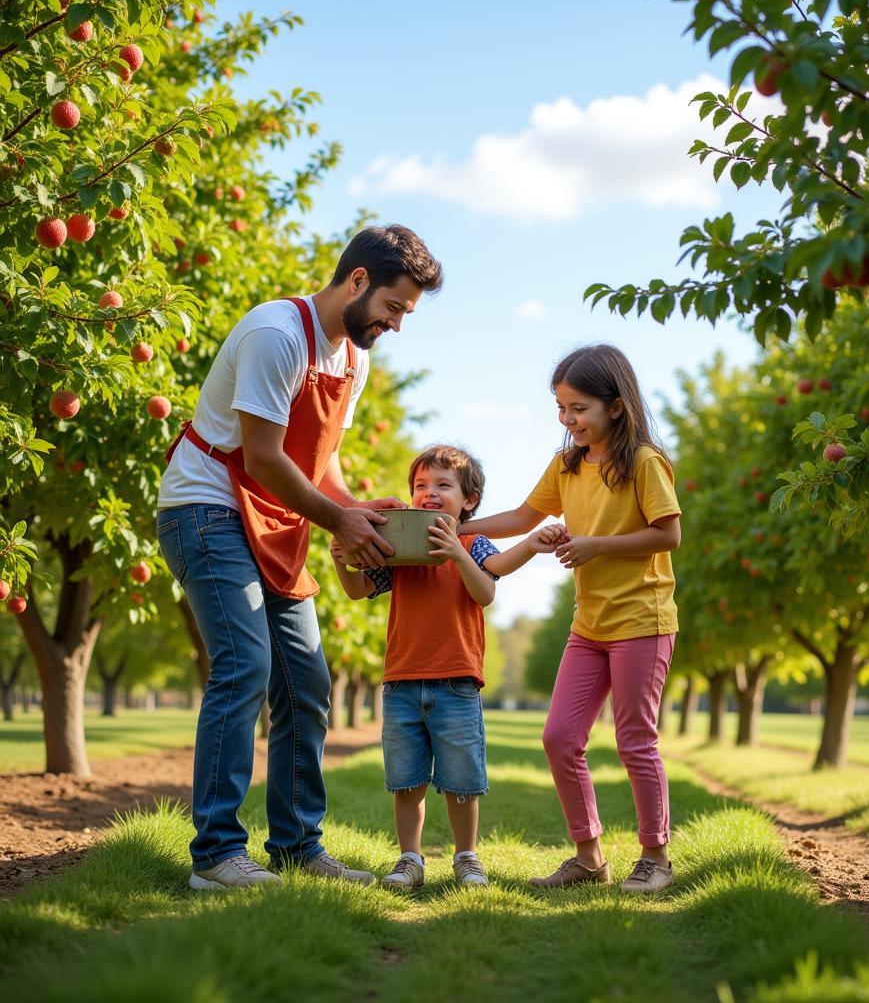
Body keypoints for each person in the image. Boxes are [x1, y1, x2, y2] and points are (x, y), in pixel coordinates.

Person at [157, 225, 442, 890]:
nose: (397, 325)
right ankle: (216, 857)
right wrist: (336, 518)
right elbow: (260, 458)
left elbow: (321, 461)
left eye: (407, 314)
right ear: (359, 281)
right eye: (395, 308)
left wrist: (357, 510)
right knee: (245, 667)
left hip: (278, 520)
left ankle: (296, 846)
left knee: (307, 684)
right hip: (207, 508)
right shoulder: (277, 334)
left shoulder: (353, 360)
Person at [460, 345, 680, 893]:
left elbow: (668, 533)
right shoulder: (566, 465)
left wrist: (594, 546)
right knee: (559, 738)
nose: (568, 420)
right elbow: (521, 517)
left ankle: (656, 858)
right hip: (590, 625)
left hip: (642, 620)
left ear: (617, 406)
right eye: (561, 408)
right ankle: (589, 857)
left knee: (635, 740)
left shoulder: (644, 463)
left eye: (578, 408)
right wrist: (455, 520)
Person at [332, 444, 561, 890]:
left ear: (468, 500)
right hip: (401, 682)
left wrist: (482, 550)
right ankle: (410, 859)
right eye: (420, 485)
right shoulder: (400, 544)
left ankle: (466, 856)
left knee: (461, 782)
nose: (429, 493)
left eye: (442, 485)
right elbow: (359, 590)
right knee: (407, 782)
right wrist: (343, 562)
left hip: (457, 685)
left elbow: (488, 589)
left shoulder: (472, 544)